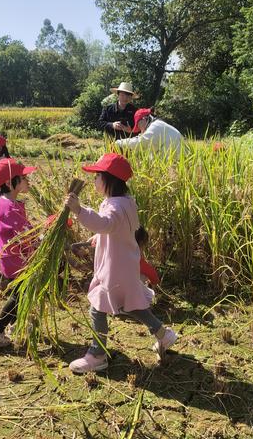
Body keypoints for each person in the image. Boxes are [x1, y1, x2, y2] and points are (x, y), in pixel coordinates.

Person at [65, 153, 177, 373]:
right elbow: (118, 229)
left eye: (98, 176)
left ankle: (97, 355)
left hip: (115, 269)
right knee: (132, 305)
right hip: (124, 265)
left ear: (110, 180)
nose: (95, 180)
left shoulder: (115, 206)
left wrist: (78, 210)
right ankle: (164, 335)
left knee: (97, 308)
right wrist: (99, 238)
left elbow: (106, 223)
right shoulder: (124, 202)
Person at [0, 158, 37, 348]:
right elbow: (25, 235)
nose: (27, 180)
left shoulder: (8, 201)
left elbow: (24, 230)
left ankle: (17, 324)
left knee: (20, 293)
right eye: (22, 177)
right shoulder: (9, 207)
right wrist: (42, 236)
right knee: (19, 296)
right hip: (16, 259)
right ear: (9, 182)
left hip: (14, 257)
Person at [115, 108, 183, 156]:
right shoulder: (159, 124)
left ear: (144, 119)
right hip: (176, 159)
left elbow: (140, 143)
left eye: (138, 125)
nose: (139, 128)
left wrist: (119, 142)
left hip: (175, 161)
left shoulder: (155, 126)